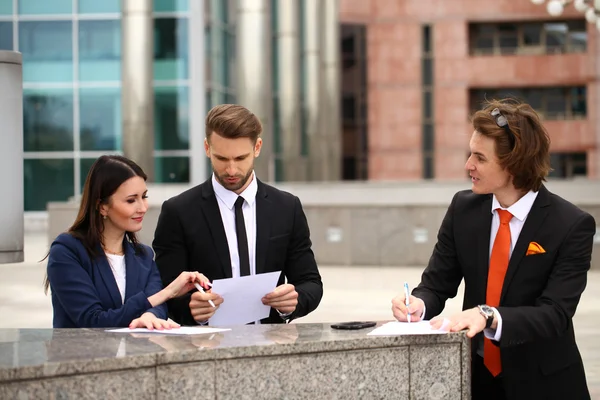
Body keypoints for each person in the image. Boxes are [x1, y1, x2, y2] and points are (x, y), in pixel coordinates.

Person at [391, 99, 595, 399]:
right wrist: (418, 304)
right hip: (477, 380)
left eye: (480, 158)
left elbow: (555, 314)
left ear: (513, 165)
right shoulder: (463, 208)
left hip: (546, 384)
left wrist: (488, 315)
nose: (468, 166)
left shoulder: (571, 225)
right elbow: (436, 284)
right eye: (469, 153)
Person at [153, 104, 323, 325]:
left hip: (271, 347)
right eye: (222, 159)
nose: (231, 170)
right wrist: (190, 308)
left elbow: (310, 283)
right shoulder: (178, 212)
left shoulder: (286, 207)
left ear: (257, 147)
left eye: (240, 158)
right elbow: (165, 289)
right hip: (206, 347)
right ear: (207, 148)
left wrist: (293, 302)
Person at [45, 155, 210, 329]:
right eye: (131, 200)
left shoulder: (143, 256)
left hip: (134, 355)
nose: (143, 207)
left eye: (144, 197)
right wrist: (168, 292)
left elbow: (158, 306)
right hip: (82, 355)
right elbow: (93, 320)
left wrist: (148, 316)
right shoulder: (67, 251)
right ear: (102, 206)